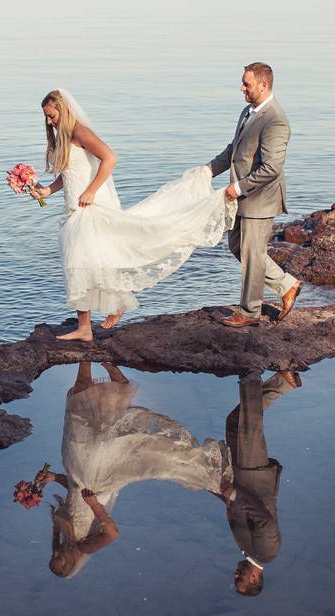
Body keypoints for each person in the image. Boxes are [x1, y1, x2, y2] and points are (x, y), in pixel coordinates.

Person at [29, 89, 236, 342]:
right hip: (73, 209)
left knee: (81, 264)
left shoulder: (80, 131)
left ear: (64, 110)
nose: (50, 122)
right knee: (88, 264)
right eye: (47, 118)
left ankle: (89, 325)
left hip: (88, 209)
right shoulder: (64, 137)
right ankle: (96, 320)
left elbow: (110, 158)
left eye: (52, 116)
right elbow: (70, 173)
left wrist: (91, 191)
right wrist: (46, 190)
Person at [34, 362, 233, 578]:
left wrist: (54, 478)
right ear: (70, 564)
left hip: (79, 474)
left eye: (53, 558)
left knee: (91, 422)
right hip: (95, 478)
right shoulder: (83, 547)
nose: (56, 557)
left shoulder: (66, 536)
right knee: (87, 420)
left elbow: (75, 494)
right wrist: (94, 505)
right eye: (60, 563)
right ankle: (89, 357)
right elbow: (111, 533)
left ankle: (96, 364)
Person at [206, 62, 303, 328]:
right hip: (243, 199)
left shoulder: (276, 121)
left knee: (251, 254)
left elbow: (272, 168)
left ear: (263, 85)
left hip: (260, 199)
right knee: (238, 247)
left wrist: (236, 188)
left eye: (246, 84)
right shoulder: (247, 112)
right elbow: (234, 150)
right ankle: (287, 284)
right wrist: (207, 171)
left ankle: (249, 312)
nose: (242, 88)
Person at [216, 371, 301, 595]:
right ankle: (250, 373)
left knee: (235, 423)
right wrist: (234, 494)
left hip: (241, 473)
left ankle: (284, 383)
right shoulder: (267, 553)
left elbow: (237, 510)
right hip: (253, 474)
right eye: (239, 580)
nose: (235, 575)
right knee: (249, 425)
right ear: (254, 579)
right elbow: (264, 521)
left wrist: (217, 490)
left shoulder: (247, 550)